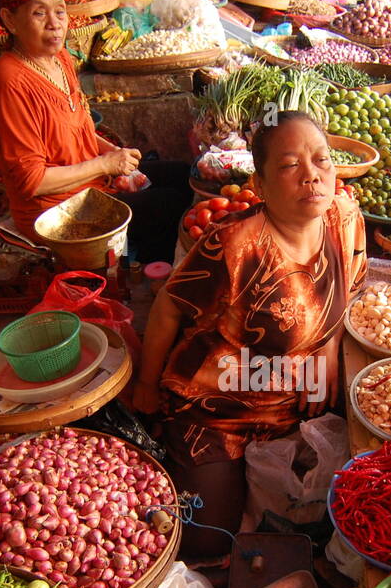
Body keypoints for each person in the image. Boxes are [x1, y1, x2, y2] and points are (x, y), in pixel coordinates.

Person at [131, 112, 367, 558]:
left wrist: (331, 347)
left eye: (321, 160)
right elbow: (167, 308)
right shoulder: (234, 245)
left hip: (299, 394)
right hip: (217, 406)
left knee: (336, 509)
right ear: (259, 185)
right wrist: (144, 386)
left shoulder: (346, 218)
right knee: (205, 541)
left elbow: (351, 286)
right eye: (289, 165)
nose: (312, 176)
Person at [0, 0, 190, 263]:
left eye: (60, 11)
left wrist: (114, 153)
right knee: (171, 204)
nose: (55, 23)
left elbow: (80, 128)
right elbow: (32, 182)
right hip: (57, 209)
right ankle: (145, 278)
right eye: (39, 13)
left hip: (91, 184)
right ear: (10, 20)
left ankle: (144, 262)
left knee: (183, 174)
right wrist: (105, 164)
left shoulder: (60, 57)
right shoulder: (8, 80)